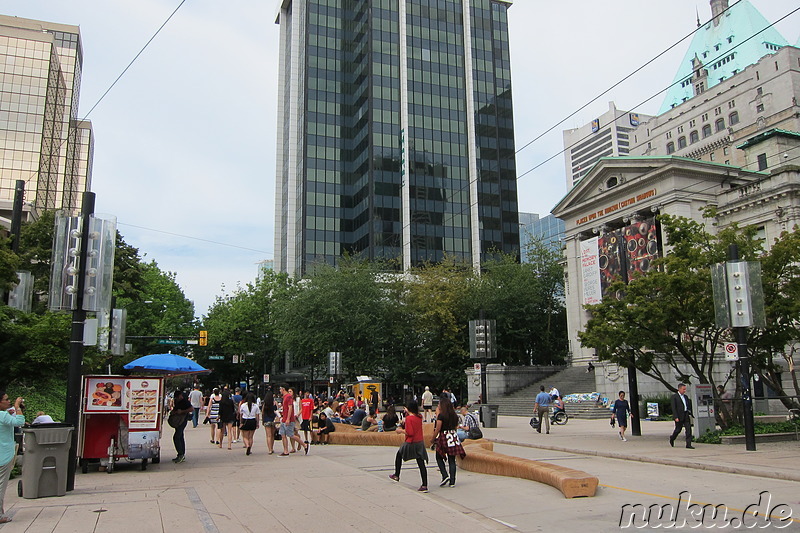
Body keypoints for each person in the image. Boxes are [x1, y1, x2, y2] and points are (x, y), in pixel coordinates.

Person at [388, 400, 428, 492]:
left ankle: (397, 475)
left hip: (410, 442)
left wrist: (400, 431)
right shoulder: (419, 416)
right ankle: (424, 484)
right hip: (419, 442)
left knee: (399, 455)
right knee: (421, 463)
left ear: (409, 408)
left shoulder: (409, 419)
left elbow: (410, 433)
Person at [0, 393, 24, 524]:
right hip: (3, 454)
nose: (8, 401)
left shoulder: (4, 415)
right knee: (1, 485)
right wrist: (17, 407)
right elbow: (19, 422)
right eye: (6, 399)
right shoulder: (3, 415)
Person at [432, 396, 465, 487]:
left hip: (444, 436)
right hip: (452, 436)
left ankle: (445, 475)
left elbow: (438, 428)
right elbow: (455, 427)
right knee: (452, 459)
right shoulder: (454, 415)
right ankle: (452, 481)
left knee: (439, 456)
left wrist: (433, 438)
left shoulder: (441, 416)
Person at [278, 385, 308, 456]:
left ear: (283, 389)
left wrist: (288, 418)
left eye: (280, 389)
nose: (279, 390)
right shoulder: (284, 397)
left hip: (289, 419)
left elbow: (290, 408)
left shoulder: (288, 397)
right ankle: (285, 451)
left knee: (291, 434)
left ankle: (304, 445)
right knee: (283, 434)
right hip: (284, 418)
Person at [170, 389, 192, 463]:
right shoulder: (177, 401)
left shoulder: (185, 401)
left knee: (176, 436)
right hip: (178, 421)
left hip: (183, 420)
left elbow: (191, 409)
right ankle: (181, 454)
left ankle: (181, 454)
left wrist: (182, 411)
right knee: (180, 436)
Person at [670, 383, 694, 449]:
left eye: (685, 389)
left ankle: (688, 444)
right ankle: (672, 438)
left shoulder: (685, 397)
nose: (684, 391)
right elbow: (673, 408)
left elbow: (688, 405)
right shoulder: (674, 397)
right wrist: (675, 417)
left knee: (688, 429)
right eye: (683, 389)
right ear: (679, 389)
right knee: (678, 429)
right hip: (679, 415)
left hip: (686, 414)